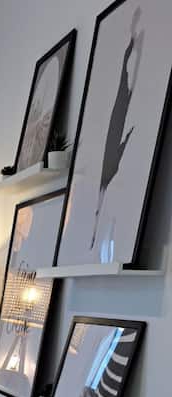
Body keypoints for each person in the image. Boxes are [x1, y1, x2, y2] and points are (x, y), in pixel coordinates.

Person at [91, 7, 144, 250]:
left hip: (116, 119)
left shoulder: (105, 174)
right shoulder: (108, 175)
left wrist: (128, 136)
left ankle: (133, 37)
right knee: (126, 78)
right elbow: (119, 150)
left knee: (125, 77)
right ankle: (133, 38)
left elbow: (118, 149)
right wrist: (130, 135)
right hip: (118, 119)